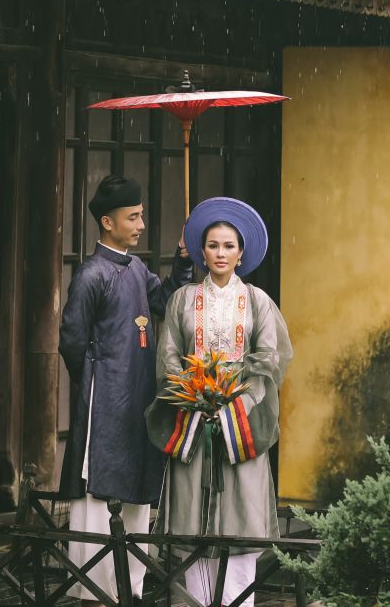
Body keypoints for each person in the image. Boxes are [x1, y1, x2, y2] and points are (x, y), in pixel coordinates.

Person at [146, 197, 293, 607]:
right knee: (191, 521)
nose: (221, 253)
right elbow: (169, 356)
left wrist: (235, 400)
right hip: (193, 421)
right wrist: (192, 394)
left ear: (241, 252)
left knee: (240, 519)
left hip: (240, 426)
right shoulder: (182, 299)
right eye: (213, 245)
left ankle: (236, 601)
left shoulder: (258, 301)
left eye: (229, 246)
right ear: (201, 251)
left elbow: (269, 359)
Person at [58, 174, 195, 603]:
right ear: (107, 222)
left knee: (136, 491)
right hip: (104, 402)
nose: (140, 225)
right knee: (99, 495)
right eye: (132, 217)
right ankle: (95, 592)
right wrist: (96, 383)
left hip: (138, 396)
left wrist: (183, 259)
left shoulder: (135, 269)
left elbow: (167, 300)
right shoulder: (90, 275)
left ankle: (129, 589)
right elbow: (72, 341)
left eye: (141, 215)